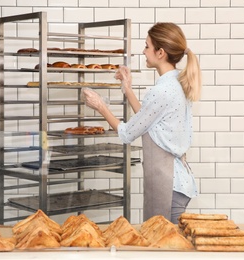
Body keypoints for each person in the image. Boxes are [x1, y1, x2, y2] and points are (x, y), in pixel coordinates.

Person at [82, 22, 202, 224]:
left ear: (160, 52)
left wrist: (100, 106)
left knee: (166, 250)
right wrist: (127, 88)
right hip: (176, 184)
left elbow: (127, 133)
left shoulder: (163, 90)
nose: (144, 51)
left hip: (170, 186)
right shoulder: (175, 83)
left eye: (147, 46)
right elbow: (147, 120)